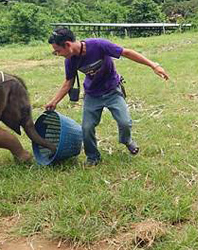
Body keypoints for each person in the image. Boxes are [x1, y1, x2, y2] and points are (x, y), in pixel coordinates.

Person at [45, 27, 169, 166]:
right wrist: (54, 101)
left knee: (125, 123)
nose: (57, 54)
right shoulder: (70, 61)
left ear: (67, 44)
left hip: (112, 90)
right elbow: (69, 82)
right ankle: (92, 157)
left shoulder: (98, 45)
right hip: (92, 94)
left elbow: (126, 52)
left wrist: (154, 65)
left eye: (58, 51)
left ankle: (126, 140)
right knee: (87, 128)